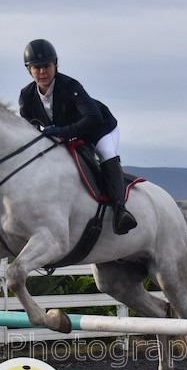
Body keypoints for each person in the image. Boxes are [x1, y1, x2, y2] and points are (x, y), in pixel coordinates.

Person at [18, 39, 137, 235]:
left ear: (55, 64)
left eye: (46, 66)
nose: (42, 72)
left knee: (106, 152)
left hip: (99, 129)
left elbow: (93, 118)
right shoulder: (27, 95)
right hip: (65, 136)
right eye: (36, 68)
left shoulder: (70, 86)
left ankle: (121, 211)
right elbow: (27, 121)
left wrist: (61, 131)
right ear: (28, 70)